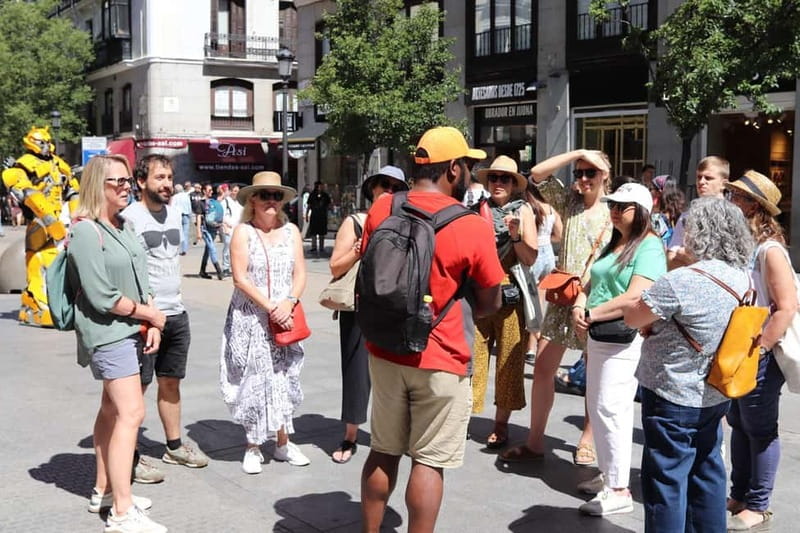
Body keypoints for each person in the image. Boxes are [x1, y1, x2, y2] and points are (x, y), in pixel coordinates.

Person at [359, 126, 503, 533]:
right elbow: (491, 302)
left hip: (385, 350)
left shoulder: (382, 208)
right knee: (428, 461)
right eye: (470, 168)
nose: (472, 176)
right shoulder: (471, 224)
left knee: (383, 451)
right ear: (453, 169)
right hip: (442, 355)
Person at [624, 197, 755, 533]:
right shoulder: (743, 279)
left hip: (671, 392)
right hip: (715, 391)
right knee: (708, 474)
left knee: (665, 482)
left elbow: (633, 315)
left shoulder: (681, 280)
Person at [68, 154, 168, 532]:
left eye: (128, 180)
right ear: (98, 186)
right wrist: (150, 315)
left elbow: (143, 277)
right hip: (109, 333)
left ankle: (105, 492)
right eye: (118, 182)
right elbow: (101, 296)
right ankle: (123, 513)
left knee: (111, 412)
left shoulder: (122, 225)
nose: (127, 186)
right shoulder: (85, 231)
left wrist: (152, 318)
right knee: (132, 414)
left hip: (132, 329)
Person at [502, 149, 612, 467]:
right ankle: (535, 440)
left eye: (590, 172)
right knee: (542, 369)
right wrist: (579, 152)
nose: (583, 179)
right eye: (579, 173)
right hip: (564, 298)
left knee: (595, 374)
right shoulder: (570, 204)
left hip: (597, 301)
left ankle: (587, 440)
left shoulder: (615, 209)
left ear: (605, 173)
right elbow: (536, 173)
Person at [570, 182, 666, 515]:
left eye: (621, 206)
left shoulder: (649, 247)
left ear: (640, 211)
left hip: (622, 337)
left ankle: (618, 488)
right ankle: (611, 474)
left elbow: (637, 296)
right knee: (599, 407)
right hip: (599, 334)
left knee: (612, 408)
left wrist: (591, 313)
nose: (613, 210)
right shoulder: (615, 242)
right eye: (612, 204)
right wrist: (578, 308)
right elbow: (589, 281)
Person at [122, 154, 210, 485]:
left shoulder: (175, 214)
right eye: (159, 177)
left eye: (170, 177)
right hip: (144, 317)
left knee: (171, 382)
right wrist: (145, 312)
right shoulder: (128, 218)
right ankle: (127, 455)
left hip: (177, 312)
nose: (167, 184)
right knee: (136, 388)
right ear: (141, 182)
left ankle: (173, 446)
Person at [220, 171, 310, 474]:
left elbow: (300, 274)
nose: (272, 201)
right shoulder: (243, 232)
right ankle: (253, 445)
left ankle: (283, 442)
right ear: (253, 200)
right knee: (254, 379)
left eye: (277, 196)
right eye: (265, 195)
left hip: (285, 317)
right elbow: (240, 278)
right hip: (252, 319)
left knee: (283, 377)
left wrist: (289, 302)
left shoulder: (292, 231)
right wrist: (271, 306)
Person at [725, 171, 796, 531]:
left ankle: (758, 504)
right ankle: (739, 493)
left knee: (760, 428)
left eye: (735, 197)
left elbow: (786, 306)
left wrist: (763, 347)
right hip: (740, 348)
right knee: (739, 422)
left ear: (752, 206)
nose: (729, 202)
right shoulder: (747, 247)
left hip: (759, 352)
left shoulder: (770, 251)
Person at [328, 166, 408, 464]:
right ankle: (350, 435)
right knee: (356, 372)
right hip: (360, 306)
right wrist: (359, 249)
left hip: (395, 306)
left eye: (395, 186)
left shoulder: (404, 222)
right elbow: (335, 266)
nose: (388, 190)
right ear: (371, 188)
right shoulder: (356, 222)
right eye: (382, 184)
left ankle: (393, 433)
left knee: (397, 374)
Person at [471, 155, 538, 448]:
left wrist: (516, 236)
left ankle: (501, 424)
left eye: (505, 178)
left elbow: (531, 258)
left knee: (509, 361)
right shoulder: (475, 211)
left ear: (514, 184)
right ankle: (466, 414)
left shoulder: (523, 212)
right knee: (473, 356)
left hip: (510, 295)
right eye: (494, 178)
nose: (498, 183)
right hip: (478, 292)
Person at [1, 126, 79, 326]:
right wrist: (48, 220)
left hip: (60, 218)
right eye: (40, 142)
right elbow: (24, 191)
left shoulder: (58, 164)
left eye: (46, 141)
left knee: (54, 259)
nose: (45, 145)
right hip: (39, 220)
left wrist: (78, 217)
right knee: (36, 258)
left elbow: (73, 190)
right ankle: (35, 304)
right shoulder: (24, 164)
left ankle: (45, 301)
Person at [524, 180, 562, 361]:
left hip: (532, 251)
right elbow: (559, 234)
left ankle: (531, 344)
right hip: (547, 254)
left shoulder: (528, 208)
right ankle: (532, 345)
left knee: (529, 301)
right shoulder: (550, 208)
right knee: (539, 300)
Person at [667, 156, 729, 268]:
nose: (701, 182)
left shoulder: (732, 216)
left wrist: (686, 256)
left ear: (723, 184)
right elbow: (671, 258)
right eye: (699, 177)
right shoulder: (687, 216)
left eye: (708, 178)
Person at [649, 175, 685, 248]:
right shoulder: (681, 216)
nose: (649, 192)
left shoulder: (655, 218)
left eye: (651, 189)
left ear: (659, 192)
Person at [199, 183, 224, 280]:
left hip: (213, 229)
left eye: (212, 190)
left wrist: (221, 191)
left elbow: (222, 196)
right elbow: (198, 217)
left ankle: (202, 271)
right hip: (205, 229)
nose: (211, 192)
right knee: (212, 249)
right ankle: (219, 271)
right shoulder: (201, 202)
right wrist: (198, 232)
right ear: (204, 191)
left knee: (208, 250)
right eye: (209, 190)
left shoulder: (212, 201)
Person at [220, 183, 243, 277]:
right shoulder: (225, 202)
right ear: (230, 191)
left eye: (238, 191)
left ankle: (236, 268)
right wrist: (225, 225)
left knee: (238, 249)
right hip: (228, 229)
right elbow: (221, 216)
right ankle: (225, 268)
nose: (236, 193)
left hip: (238, 229)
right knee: (228, 247)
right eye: (234, 191)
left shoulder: (240, 203)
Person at [307, 181, 331, 255]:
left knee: (322, 232)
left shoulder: (325, 195)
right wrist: (307, 214)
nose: (319, 188)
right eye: (318, 186)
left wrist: (328, 214)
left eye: (321, 186)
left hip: (322, 216)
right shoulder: (312, 195)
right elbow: (309, 205)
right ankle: (314, 247)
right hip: (314, 215)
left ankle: (321, 247)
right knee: (313, 232)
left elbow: (328, 205)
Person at [170, 182, 193, 256]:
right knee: (185, 233)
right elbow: (189, 206)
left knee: (178, 232)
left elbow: (172, 207)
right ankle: (184, 249)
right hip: (186, 215)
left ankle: (178, 249)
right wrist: (190, 215)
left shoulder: (174, 197)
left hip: (178, 216)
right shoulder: (186, 196)